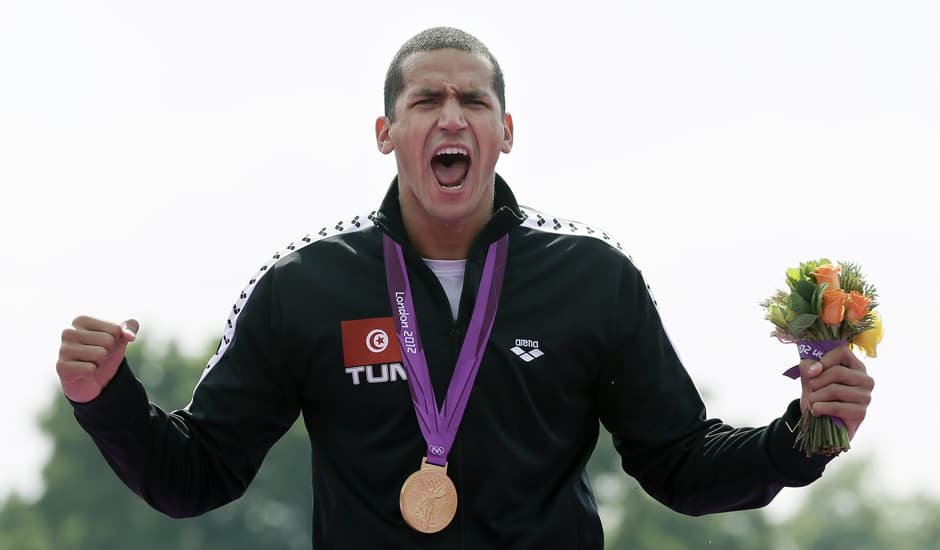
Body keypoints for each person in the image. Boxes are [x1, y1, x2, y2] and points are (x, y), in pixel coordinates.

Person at [57, 26, 875, 549]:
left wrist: (806, 434)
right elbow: (195, 474)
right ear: (388, 134)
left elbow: (682, 465)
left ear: (504, 132)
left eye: (473, 99)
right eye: (426, 100)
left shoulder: (593, 279)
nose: (451, 115)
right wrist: (107, 399)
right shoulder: (303, 287)